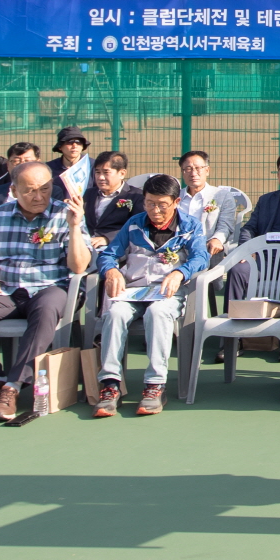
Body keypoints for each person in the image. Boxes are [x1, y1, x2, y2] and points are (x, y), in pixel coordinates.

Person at [0, 160, 92, 422]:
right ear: (14, 190)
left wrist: (74, 227)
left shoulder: (65, 214)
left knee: (48, 308)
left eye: (45, 189)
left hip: (49, 288)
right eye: (30, 191)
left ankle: (12, 386)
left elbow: (79, 266)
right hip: (5, 290)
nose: (39, 197)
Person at [91, 173, 205, 418]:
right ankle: (110, 384)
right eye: (150, 203)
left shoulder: (190, 226)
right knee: (115, 313)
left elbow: (200, 257)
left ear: (176, 202)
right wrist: (111, 271)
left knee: (158, 312)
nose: (155, 210)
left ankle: (155, 385)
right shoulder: (134, 224)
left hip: (167, 293)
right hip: (133, 291)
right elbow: (109, 254)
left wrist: (180, 273)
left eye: (162, 205)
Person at [177, 150, 250, 260]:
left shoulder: (222, 196)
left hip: (208, 248)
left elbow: (225, 226)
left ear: (207, 170)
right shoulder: (175, 197)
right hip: (177, 249)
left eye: (198, 168)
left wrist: (217, 239)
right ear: (183, 172)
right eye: (188, 169)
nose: (193, 173)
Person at [83, 151, 143, 241]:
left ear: (122, 173)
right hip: (85, 243)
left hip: (116, 246)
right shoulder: (88, 194)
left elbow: (137, 227)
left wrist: (108, 238)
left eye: (106, 172)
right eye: (97, 172)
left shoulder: (136, 196)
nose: (100, 177)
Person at [0, 142, 41, 221]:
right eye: (16, 161)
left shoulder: (50, 192)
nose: (22, 165)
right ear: (8, 165)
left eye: (27, 161)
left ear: (38, 164)